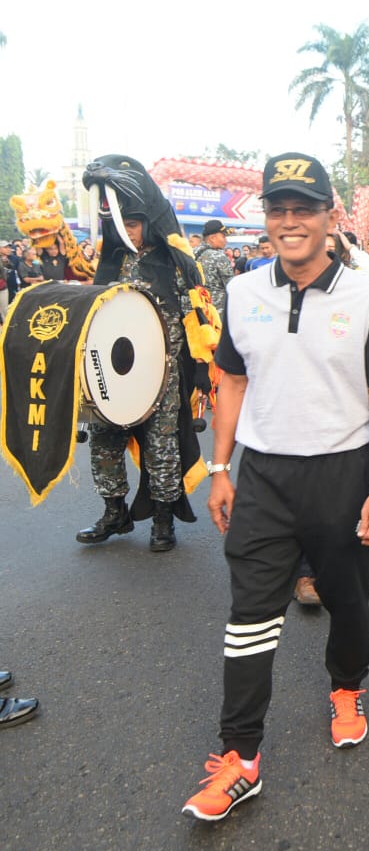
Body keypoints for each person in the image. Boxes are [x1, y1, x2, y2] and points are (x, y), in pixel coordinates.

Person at [181, 152, 369, 822]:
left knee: (348, 601)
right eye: (277, 209)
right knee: (249, 614)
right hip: (265, 477)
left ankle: (346, 688)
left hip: (344, 474)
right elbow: (232, 381)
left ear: (329, 218)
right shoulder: (243, 292)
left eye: (302, 209)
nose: (288, 221)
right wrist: (219, 469)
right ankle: (240, 759)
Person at [76, 154, 211, 553]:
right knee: (104, 438)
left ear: (147, 222)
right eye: (123, 224)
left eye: (133, 224)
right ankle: (113, 511)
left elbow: (197, 310)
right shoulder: (112, 261)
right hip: (113, 373)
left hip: (162, 372)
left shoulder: (174, 260)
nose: (128, 232)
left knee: (162, 444)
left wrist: (202, 363)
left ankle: (163, 520)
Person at [194, 219, 235, 316]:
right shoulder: (218, 256)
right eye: (223, 236)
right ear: (212, 238)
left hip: (196, 310)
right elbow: (231, 286)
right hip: (216, 313)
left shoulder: (191, 254)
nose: (226, 240)